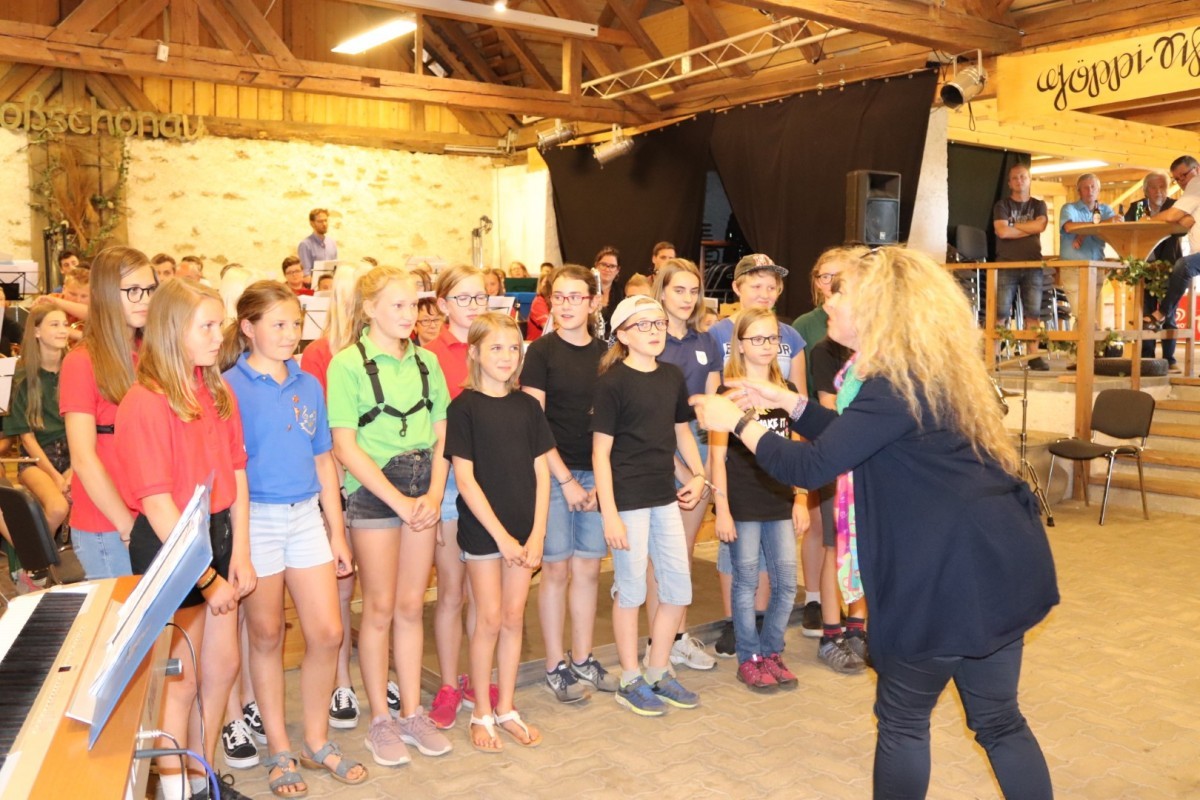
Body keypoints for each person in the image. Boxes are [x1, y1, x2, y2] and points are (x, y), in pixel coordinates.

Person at [691, 246, 1058, 799]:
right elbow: (855, 436)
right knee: (999, 721)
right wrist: (785, 403)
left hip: (943, 576)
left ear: (875, 309)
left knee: (904, 722)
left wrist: (737, 421)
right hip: (995, 564)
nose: (828, 301)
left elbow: (812, 466)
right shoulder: (921, 374)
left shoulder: (891, 383)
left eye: (840, 291)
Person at [115, 278, 256, 800]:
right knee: (182, 681)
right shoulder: (145, 402)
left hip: (216, 537)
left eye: (220, 324)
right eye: (208, 326)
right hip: (172, 547)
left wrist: (241, 551)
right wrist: (208, 577)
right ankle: (175, 791)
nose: (219, 336)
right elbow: (158, 506)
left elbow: (236, 472)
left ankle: (202, 779)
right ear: (174, 330)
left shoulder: (215, 391)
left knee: (222, 668)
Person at [221, 281, 365, 795]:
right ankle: (279, 748)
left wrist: (337, 532)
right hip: (256, 519)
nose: (290, 333)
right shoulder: (229, 387)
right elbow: (232, 470)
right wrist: (240, 545)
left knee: (327, 632)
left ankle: (316, 740)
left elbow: (324, 459)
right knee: (266, 635)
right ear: (248, 328)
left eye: (296, 324)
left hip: (306, 517)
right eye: (278, 324)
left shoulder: (308, 383)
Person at [327, 265, 452, 766]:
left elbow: (442, 433)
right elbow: (344, 446)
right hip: (375, 493)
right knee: (378, 608)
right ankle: (380, 718)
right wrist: (398, 502)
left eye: (412, 305)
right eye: (396, 305)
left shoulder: (427, 361)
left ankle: (412, 711)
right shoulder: (346, 365)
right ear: (369, 309)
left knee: (410, 606)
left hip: (424, 489)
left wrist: (435, 494)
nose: (408, 315)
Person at [593, 295, 706, 717]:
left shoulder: (672, 376)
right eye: (643, 325)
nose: (654, 331)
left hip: (663, 497)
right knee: (631, 589)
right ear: (622, 335)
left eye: (658, 323)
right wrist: (609, 513)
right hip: (628, 500)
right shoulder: (612, 383)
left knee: (677, 586)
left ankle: (658, 669)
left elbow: (681, 433)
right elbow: (600, 453)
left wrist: (698, 475)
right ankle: (629, 678)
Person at [446, 312, 552, 751]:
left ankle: (506, 707)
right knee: (487, 619)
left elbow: (542, 473)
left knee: (512, 618)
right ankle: (481, 712)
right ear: (474, 352)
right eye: (495, 348)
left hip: (524, 530)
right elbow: (465, 480)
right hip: (484, 532)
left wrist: (537, 533)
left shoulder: (528, 406)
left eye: (513, 348)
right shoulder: (463, 408)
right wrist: (501, 538)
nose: (507, 356)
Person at [521, 264, 616, 705]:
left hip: (595, 474)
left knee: (588, 569)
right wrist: (566, 481)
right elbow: (535, 422)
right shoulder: (541, 353)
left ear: (593, 303)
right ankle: (554, 665)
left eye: (575, 297)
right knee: (556, 570)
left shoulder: (608, 354)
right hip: (553, 474)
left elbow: (613, 421)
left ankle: (582, 657)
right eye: (558, 297)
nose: (566, 305)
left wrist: (599, 482)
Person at [706, 252, 805, 657]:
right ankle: (748, 651)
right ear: (740, 345)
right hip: (741, 499)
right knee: (744, 577)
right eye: (757, 339)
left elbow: (796, 443)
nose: (766, 346)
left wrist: (801, 497)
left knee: (785, 581)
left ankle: (771, 649)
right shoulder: (727, 391)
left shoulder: (786, 391)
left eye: (772, 339)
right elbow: (717, 454)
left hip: (779, 497)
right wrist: (722, 508)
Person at [792, 246, 871, 669]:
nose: (831, 299)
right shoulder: (824, 348)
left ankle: (858, 625)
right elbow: (827, 409)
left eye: (841, 288)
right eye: (828, 284)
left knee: (864, 543)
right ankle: (830, 631)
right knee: (833, 544)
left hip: (866, 460)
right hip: (837, 456)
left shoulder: (881, 354)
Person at [298, 261, 367, 729]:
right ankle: (342, 680)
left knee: (378, 590)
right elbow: (323, 435)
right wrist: (338, 488)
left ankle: (379, 675)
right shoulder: (320, 354)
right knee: (340, 586)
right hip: (339, 482)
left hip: (378, 481)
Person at [61, 246, 156, 580]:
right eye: (133, 290)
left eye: (150, 289)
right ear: (104, 293)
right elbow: (83, 458)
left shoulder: (150, 353)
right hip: (108, 523)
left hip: (151, 513)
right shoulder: (81, 361)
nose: (144, 299)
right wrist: (127, 526)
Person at [423, 265, 489, 730]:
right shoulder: (429, 356)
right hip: (448, 481)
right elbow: (434, 432)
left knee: (484, 594)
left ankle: (479, 677)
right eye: (463, 298)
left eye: (480, 297)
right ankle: (449, 683)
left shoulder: (498, 345)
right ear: (443, 305)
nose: (473, 306)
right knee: (451, 590)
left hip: (492, 482)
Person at [648, 258, 720, 672]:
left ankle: (678, 637)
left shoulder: (705, 342)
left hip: (696, 447)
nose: (687, 298)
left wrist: (706, 467)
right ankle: (656, 643)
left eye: (694, 291)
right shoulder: (651, 341)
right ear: (661, 292)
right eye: (679, 290)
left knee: (684, 551)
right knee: (658, 555)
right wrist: (679, 465)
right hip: (657, 446)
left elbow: (710, 406)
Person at [8, 306, 73, 575]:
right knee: (58, 508)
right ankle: (35, 568)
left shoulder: (76, 371)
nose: (63, 330)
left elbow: (86, 430)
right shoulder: (22, 378)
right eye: (54, 324)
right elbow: (27, 438)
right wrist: (57, 477)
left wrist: (72, 471)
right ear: (36, 331)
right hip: (37, 460)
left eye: (65, 324)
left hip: (76, 458)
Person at [1126, 172, 1183, 368]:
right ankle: (1147, 357)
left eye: (1162, 187)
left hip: (1170, 267)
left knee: (1169, 313)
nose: (1159, 191)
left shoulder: (1176, 206)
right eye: (1154, 187)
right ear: (1145, 190)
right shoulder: (1137, 207)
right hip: (1144, 267)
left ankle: (1169, 358)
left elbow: (1183, 231)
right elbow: (1126, 230)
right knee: (1146, 313)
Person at [1146, 155, 1200, 337]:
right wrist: (1178, 217)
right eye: (1177, 179)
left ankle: (1161, 313)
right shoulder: (1193, 193)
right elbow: (1186, 221)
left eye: (1184, 175)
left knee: (1184, 265)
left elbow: (1172, 216)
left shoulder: (1197, 183)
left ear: (1197, 169)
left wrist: (1150, 220)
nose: (1182, 181)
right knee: (1185, 266)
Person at [992, 163, 1048, 330]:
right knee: (1000, 314)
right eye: (1015, 178)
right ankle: (995, 348)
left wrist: (1014, 225)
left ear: (1029, 180)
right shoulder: (1002, 205)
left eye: (1023, 177)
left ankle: (1032, 348)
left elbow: (1040, 226)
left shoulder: (1039, 205)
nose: (1019, 180)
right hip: (1006, 265)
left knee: (1033, 315)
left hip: (1033, 265)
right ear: (1009, 183)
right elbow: (1003, 232)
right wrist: (1030, 228)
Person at [1059, 172, 1118, 324]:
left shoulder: (1106, 210)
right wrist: (1098, 226)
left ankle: (1085, 340)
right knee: (1083, 314)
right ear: (1079, 191)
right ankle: (1093, 339)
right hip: (1073, 268)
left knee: (1088, 316)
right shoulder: (1069, 208)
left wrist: (1083, 233)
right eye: (1085, 188)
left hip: (1097, 267)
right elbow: (1069, 227)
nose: (1090, 190)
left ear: (1098, 190)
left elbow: (1115, 226)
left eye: (1093, 187)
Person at [298, 208, 337, 279]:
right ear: (312, 223)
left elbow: (335, 268)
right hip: (314, 284)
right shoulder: (305, 245)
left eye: (325, 220)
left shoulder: (332, 242)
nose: (324, 224)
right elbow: (306, 274)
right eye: (320, 221)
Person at [594, 246, 621, 330]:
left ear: (618, 270)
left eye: (612, 266)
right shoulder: (586, 289)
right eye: (603, 264)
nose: (607, 269)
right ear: (596, 265)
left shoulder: (621, 293)